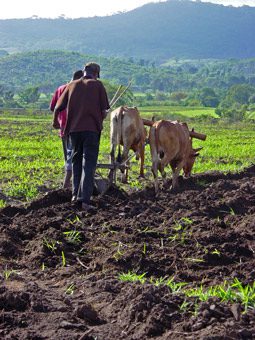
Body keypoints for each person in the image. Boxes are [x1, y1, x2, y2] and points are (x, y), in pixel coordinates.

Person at [52, 62, 110, 211]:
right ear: (96, 73)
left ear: (84, 72)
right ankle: (85, 201)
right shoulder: (98, 86)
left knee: (76, 162)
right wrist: (99, 118)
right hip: (91, 131)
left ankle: (74, 196)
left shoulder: (72, 85)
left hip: (74, 131)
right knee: (88, 164)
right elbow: (104, 111)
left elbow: (58, 107)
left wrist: (55, 122)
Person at [50, 70, 83, 188]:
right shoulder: (79, 89)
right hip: (76, 126)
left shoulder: (60, 89)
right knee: (75, 154)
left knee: (67, 154)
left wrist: (57, 119)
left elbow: (52, 107)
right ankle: (70, 182)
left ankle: (69, 181)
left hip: (63, 126)